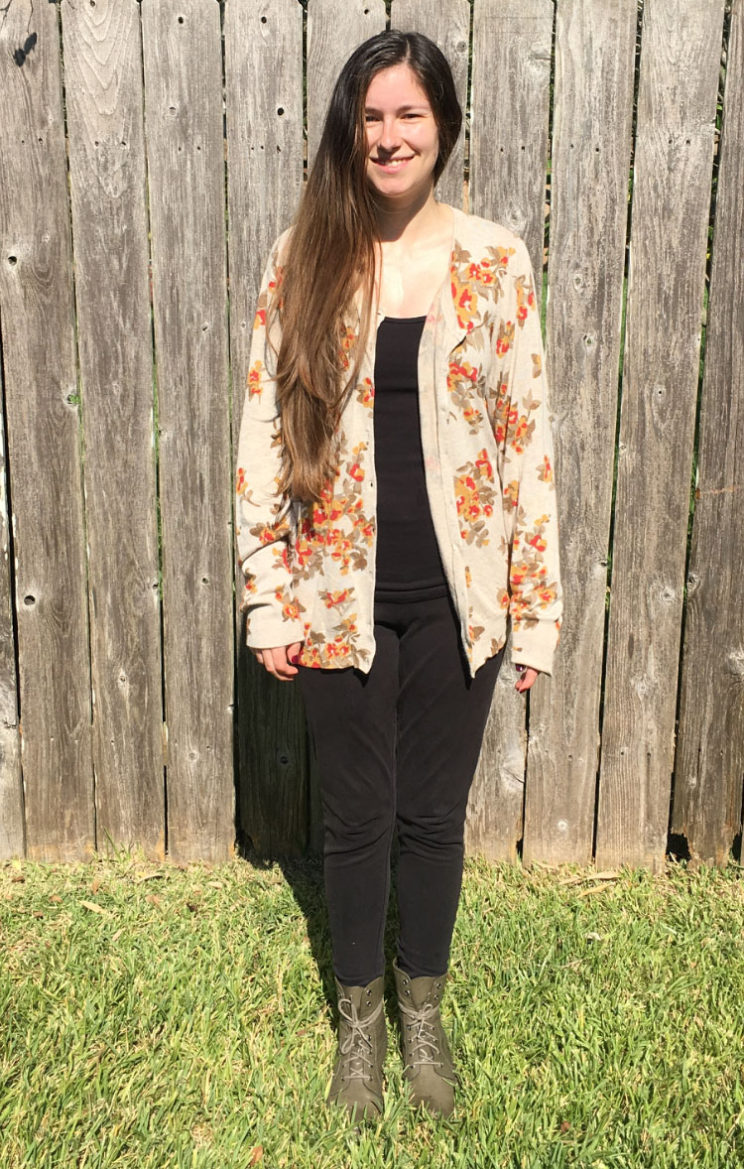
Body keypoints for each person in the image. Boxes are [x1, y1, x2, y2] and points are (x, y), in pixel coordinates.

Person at [235, 30, 563, 1123]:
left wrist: (535, 613)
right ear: (350, 129)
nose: (389, 136)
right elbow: (263, 434)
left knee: (431, 817)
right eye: (371, 117)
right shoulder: (304, 259)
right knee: (356, 821)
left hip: (460, 609)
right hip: (336, 601)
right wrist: (267, 594)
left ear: (443, 126)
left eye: (408, 115)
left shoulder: (495, 262)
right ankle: (360, 1030)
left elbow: (526, 443)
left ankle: (423, 1018)